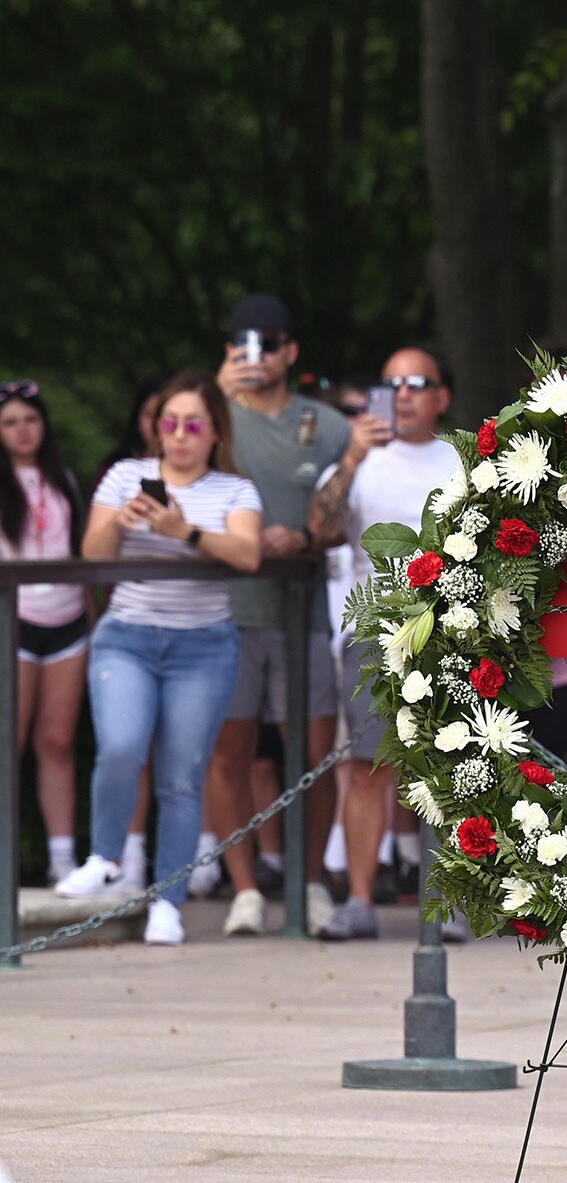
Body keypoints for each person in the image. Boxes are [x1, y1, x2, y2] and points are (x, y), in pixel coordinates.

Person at [57, 373, 262, 944]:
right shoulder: (124, 476)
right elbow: (90, 555)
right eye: (167, 423)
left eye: (192, 424)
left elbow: (247, 553)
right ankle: (104, 858)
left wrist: (185, 531)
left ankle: (168, 901)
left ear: (215, 432)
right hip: (127, 637)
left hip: (202, 645)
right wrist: (121, 523)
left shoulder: (235, 491)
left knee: (181, 776)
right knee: (120, 747)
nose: (178, 435)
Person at [306, 345, 464, 940]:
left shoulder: (465, 458)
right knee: (368, 766)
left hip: (455, 628)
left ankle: (446, 902)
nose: (402, 393)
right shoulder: (360, 457)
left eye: (418, 382)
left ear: (441, 397)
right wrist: (351, 455)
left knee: (453, 766)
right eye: (391, 382)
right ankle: (361, 902)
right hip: (372, 630)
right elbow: (318, 531)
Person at [206, 294, 350, 937]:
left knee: (314, 754)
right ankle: (243, 890)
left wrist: (307, 537)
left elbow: (348, 513)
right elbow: (174, 474)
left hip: (304, 615)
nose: (253, 355)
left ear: (290, 351)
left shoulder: (328, 424)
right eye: (241, 342)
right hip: (226, 611)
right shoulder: (208, 417)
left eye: (266, 342)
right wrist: (216, 400)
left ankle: (313, 881)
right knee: (228, 755)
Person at [0, 382, 89, 883]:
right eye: (10, 422)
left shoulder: (65, 480)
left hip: (69, 621)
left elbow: (81, 555)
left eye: (30, 419)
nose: (22, 430)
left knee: (57, 742)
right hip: (12, 622)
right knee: (6, 740)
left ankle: (61, 859)